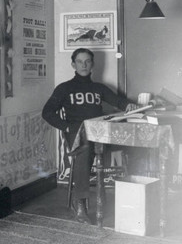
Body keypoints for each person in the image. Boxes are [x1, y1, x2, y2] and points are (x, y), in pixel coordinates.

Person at [42, 48, 136, 224]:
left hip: (99, 134)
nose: (84, 65)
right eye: (79, 61)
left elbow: (118, 101)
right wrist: (67, 127)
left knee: (131, 142)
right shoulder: (64, 88)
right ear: (73, 64)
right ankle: (81, 205)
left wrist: (130, 105)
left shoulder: (98, 87)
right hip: (78, 135)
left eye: (87, 61)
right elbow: (47, 112)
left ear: (92, 64)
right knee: (84, 152)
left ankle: (133, 199)